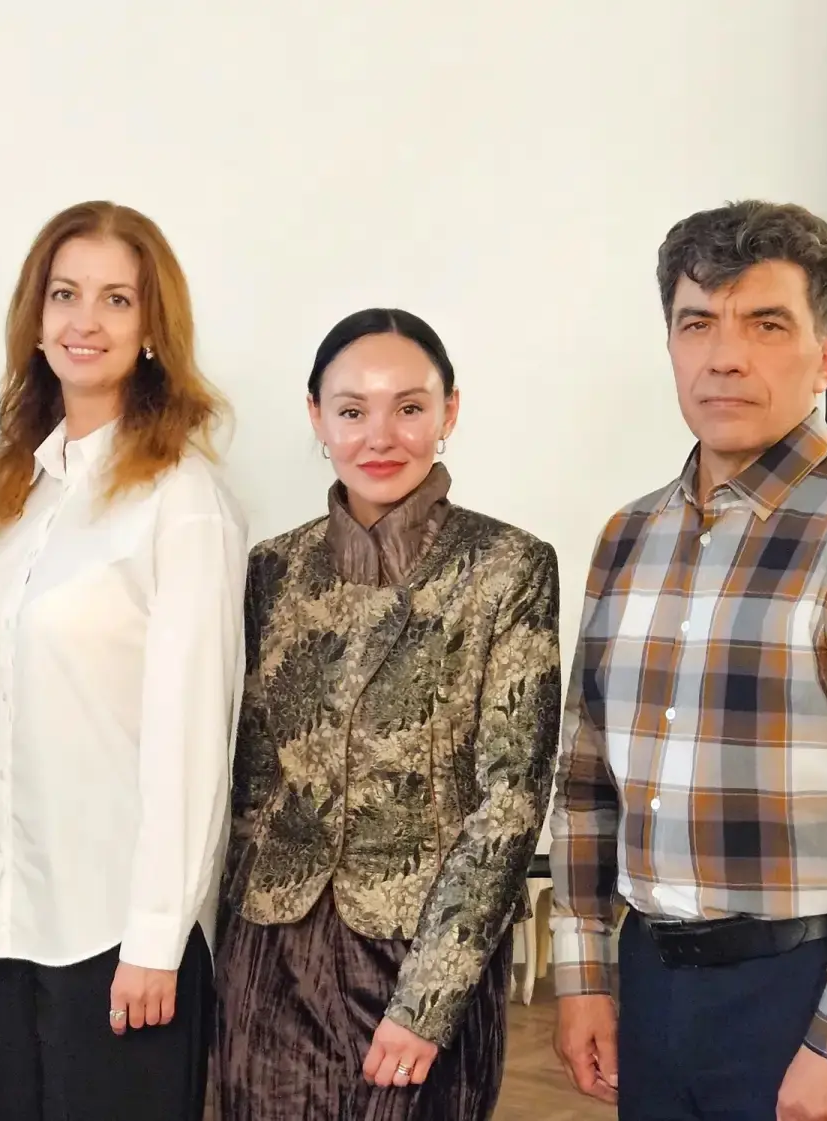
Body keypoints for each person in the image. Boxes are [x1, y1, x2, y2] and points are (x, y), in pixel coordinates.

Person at [549, 201, 827, 1121]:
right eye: (697, 324)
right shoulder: (628, 535)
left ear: (826, 357)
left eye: (765, 324)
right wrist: (583, 972)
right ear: (670, 345)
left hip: (803, 991)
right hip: (651, 980)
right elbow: (587, 783)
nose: (724, 356)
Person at [215, 308, 562, 1120]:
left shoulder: (507, 567)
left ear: (449, 412)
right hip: (272, 953)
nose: (380, 435)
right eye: (351, 409)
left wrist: (428, 1000)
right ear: (316, 417)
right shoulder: (274, 568)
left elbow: (510, 802)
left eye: (409, 407)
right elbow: (252, 781)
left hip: (418, 951)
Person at [0, 200, 247, 1120]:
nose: (86, 320)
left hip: (115, 935)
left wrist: (157, 936)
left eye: (117, 299)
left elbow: (193, 735)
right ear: (36, 318)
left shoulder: (182, 499)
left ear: (153, 326)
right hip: (4, 925)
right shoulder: (14, 494)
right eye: (65, 294)